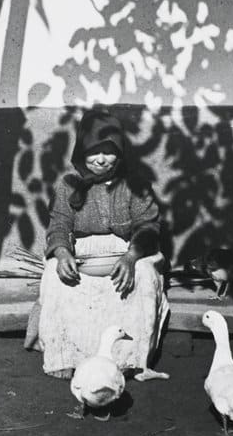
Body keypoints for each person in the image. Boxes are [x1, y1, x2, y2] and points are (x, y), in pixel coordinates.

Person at [24, 108, 170, 382]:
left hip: (131, 251)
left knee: (144, 276)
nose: (101, 160)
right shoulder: (69, 185)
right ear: (81, 152)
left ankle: (129, 360)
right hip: (83, 255)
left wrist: (131, 257)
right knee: (54, 275)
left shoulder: (135, 184)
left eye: (109, 151)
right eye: (93, 151)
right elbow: (59, 225)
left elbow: (148, 226)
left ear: (120, 152)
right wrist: (62, 250)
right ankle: (66, 357)